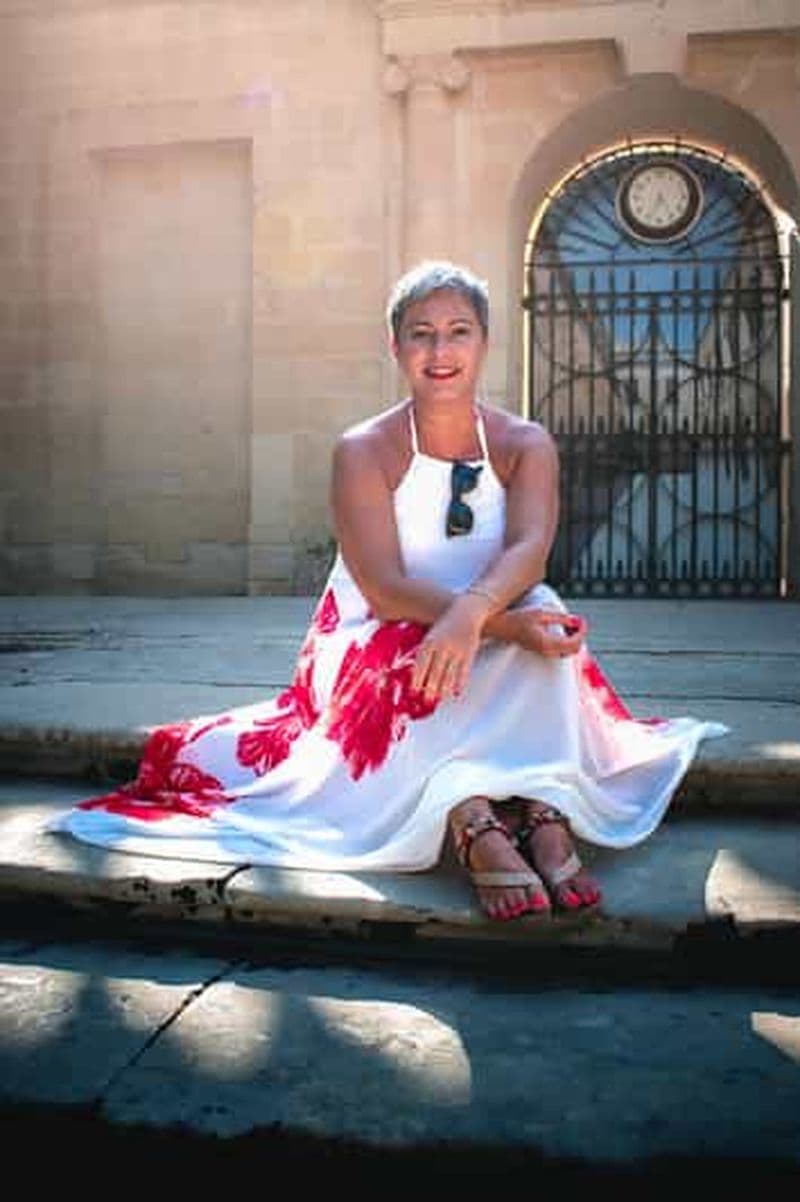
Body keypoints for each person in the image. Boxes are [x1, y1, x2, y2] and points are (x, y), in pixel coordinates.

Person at [51, 260, 727, 923]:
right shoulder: (364, 449)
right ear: (396, 346)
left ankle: (544, 801)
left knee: (547, 622)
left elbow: (529, 551)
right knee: (417, 650)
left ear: (484, 342)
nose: (440, 350)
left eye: (459, 331)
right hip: (372, 627)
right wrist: (484, 624)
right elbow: (383, 587)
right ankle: (469, 814)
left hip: (488, 606)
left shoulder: (525, 442)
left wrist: (478, 614)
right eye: (421, 333)